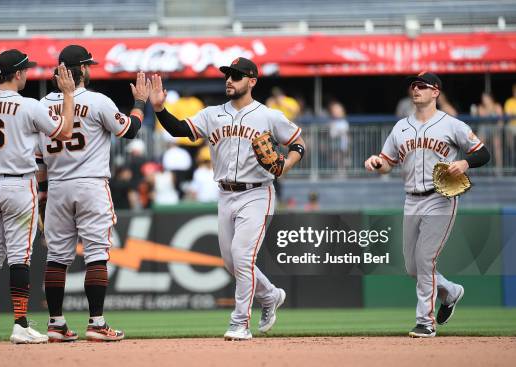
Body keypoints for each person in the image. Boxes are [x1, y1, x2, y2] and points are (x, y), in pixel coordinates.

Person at [150, 57, 305, 341]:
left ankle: (239, 323)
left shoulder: (268, 115)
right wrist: (160, 108)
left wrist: (285, 164)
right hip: (225, 194)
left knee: (243, 258)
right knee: (231, 262)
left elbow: (298, 143)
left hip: (258, 193)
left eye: (236, 75)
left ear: (252, 81)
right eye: (227, 75)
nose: (229, 80)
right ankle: (270, 295)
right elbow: (179, 130)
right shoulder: (211, 114)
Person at [0, 49, 76, 344]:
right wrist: (68, 95)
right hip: (18, 185)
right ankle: (20, 324)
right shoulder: (28, 106)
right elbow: (66, 131)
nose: (28, 74)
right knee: (20, 257)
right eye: (26, 70)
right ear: (18, 74)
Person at [35, 45, 149, 343]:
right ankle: (96, 323)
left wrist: (44, 197)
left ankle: (56, 324)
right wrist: (139, 102)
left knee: (57, 258)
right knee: (97, 254)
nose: (90, 69)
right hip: (90, 183)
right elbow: (131, 130)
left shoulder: (40, 105)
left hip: (57, 185)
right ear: (82, 69)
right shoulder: (97, 101)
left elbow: (38, 161)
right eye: (88, 65)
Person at [365, 72, 490, 338]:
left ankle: (425, 322)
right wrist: (377, 163)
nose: (416, 89)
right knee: (413, 266)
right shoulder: (400, 127)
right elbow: (388, 163)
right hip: (411, 198)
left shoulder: (451, 125)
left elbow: (482, 152)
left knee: (425, 260)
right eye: (413, 86)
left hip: (440, 198)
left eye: (422, 86)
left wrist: (465, 163)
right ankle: (451, 292)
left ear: (436, 92)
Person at [327, 101, 350, 173]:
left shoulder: (344, 122)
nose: (336, 112)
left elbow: (345, 132)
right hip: (334, 144)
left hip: (343, 144)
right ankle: (337, 170)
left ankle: (342, 170)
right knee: (336, 158)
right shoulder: (332, 122)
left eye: (338, 111)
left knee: (342, 158)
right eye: (334, 111)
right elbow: (331, 133)